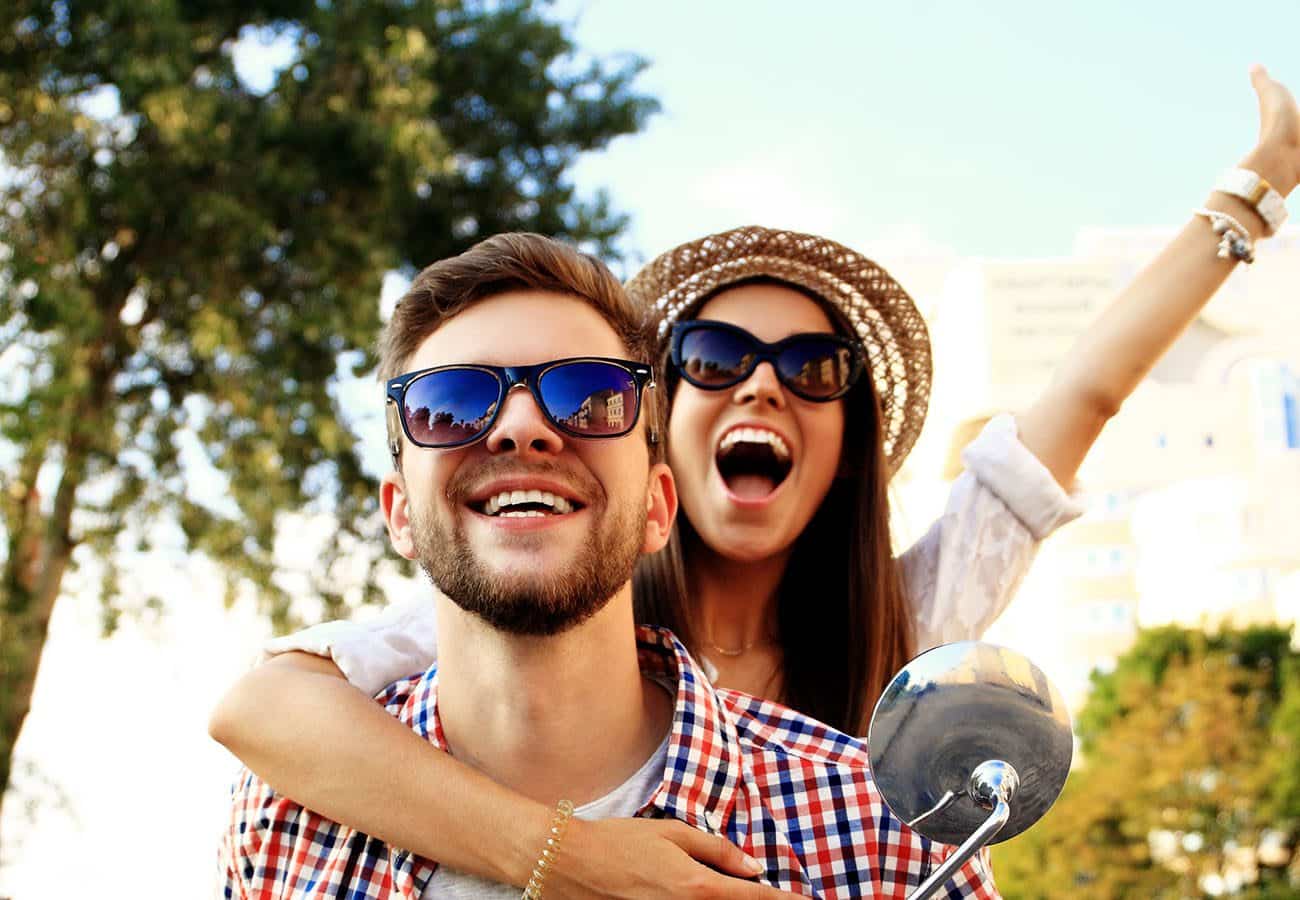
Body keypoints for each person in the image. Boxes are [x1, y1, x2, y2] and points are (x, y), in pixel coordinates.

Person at [211, 66, 1299, 896]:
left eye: (812, 370)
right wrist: (579, 860)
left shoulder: (899, 660)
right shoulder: (512, 604)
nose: (762, 391)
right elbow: (264, 705)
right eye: (715, 361)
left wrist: (1247, 199)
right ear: (664, 445)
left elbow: (1083, 398)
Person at [216, 233, 999, 898]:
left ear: (660, 507)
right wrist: (562, 856)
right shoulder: (286, 817)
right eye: (452, 403)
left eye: (589, 397)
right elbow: (256, 702)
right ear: (399, 515)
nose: (521, 427)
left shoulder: (889, 836)